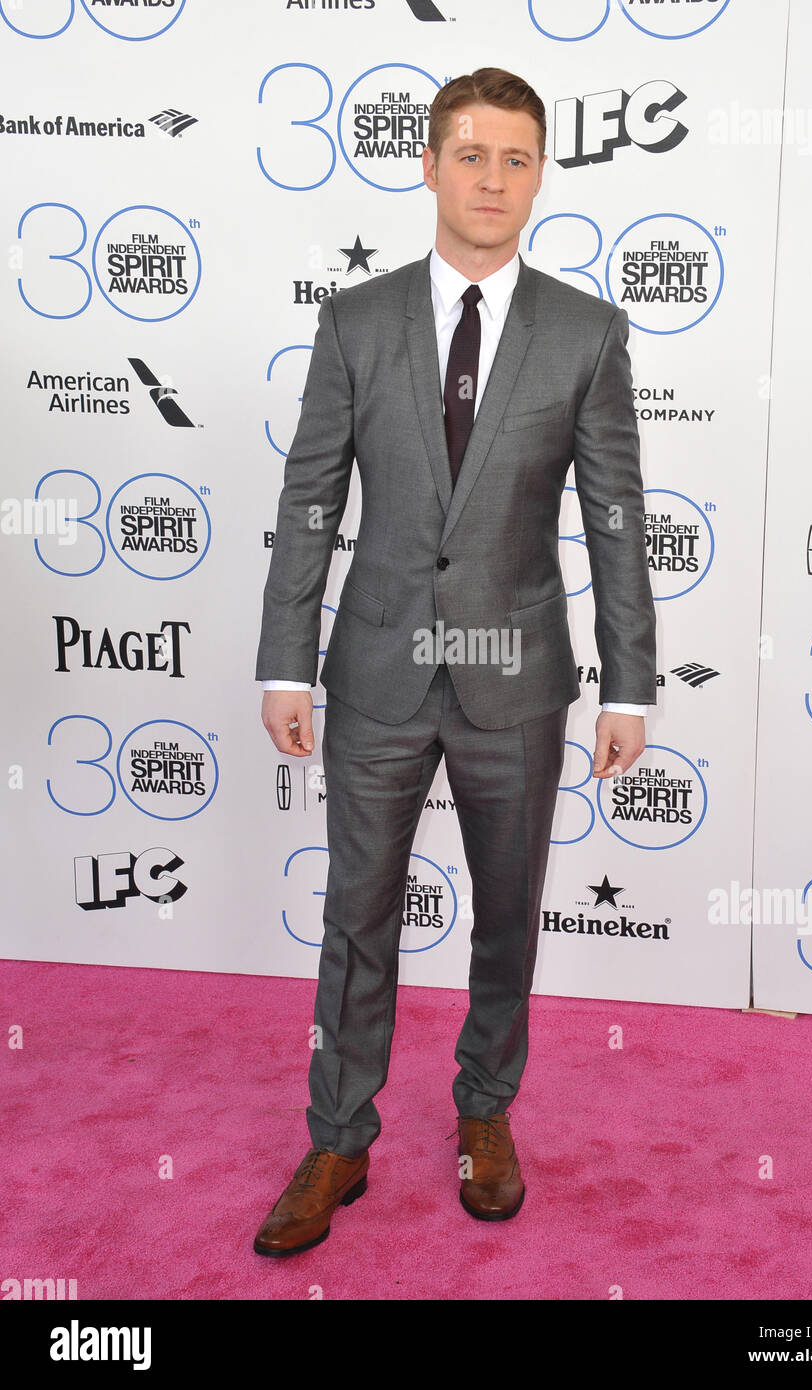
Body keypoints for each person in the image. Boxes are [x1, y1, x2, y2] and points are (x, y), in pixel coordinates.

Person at [253, 67, 656, 1256]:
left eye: (517, 159)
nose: (493, 179)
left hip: (518, 679)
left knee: (504, 916)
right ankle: (338, 1135)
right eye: (471, 156)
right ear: (428, 165)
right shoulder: (357, 319)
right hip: (376, 670)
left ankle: (485, 1112)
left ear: (540, 175)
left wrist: (628, 680)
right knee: (354, 914)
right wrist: (286, 662)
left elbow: (615, 515)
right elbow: (310, 496)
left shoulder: (585, 331)